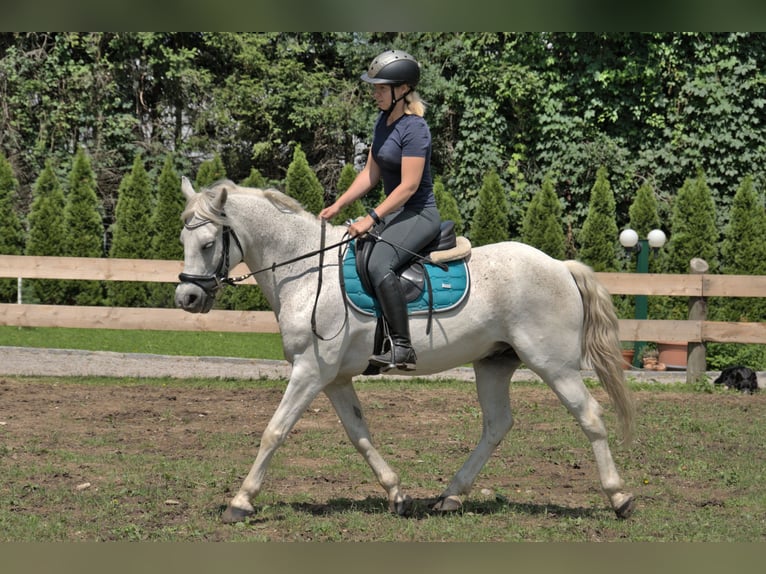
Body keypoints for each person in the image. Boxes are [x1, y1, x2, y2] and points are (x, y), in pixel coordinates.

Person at [319, 49, 440, 371]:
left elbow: (409, 187)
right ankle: (375, 341)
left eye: (381, 88)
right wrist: (339, 204)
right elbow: (371, 174)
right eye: (374, 88)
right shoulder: (383, 122)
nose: (375, 93)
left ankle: (402, 347)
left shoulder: (415, 129)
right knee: (357, 255)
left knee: (379, 264)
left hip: (419, 213)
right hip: (396, 213)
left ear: (402, 90)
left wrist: (370, 218)